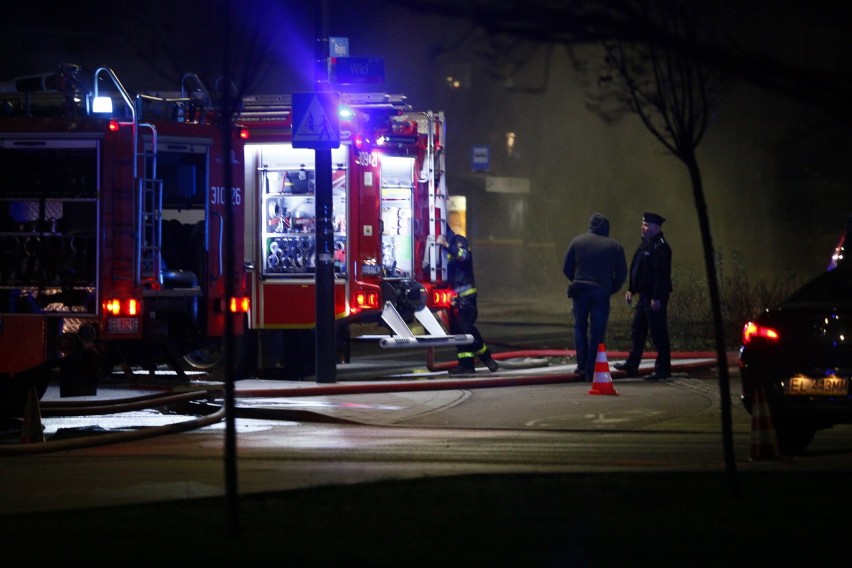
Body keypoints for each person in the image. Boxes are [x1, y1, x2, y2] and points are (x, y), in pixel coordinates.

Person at [562, 213, 628, 381]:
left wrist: (578, 280)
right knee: (597, 331)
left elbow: (566, 268)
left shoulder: (577, 242)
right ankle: (591, 370)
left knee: (579, 327)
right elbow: (622, 273)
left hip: (580, 292)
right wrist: (610, 288)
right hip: (601, 293)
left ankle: (581, 366)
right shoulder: (615, 246)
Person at [615, 212, 673, 380]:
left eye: (646, 225)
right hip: (644, 296)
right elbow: (638, 269)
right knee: (637, 330)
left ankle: (663, 370)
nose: (642, 227)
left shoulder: (661, 247)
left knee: (658, 332)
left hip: (655, 297)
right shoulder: (646, 245)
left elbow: (661, 275)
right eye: (643, 224)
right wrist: (631, 289)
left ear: (656, 228)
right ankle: (632, 365)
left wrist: (656, 297)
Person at [437, 228, 499, 375]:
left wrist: (446, 245)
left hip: (466, 297)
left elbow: (464, 256)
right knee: (456, 332)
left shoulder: (458, 240)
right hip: (452, 299)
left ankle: (487, 358)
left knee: (466, 328)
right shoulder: (437, 247)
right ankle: (466, 365)